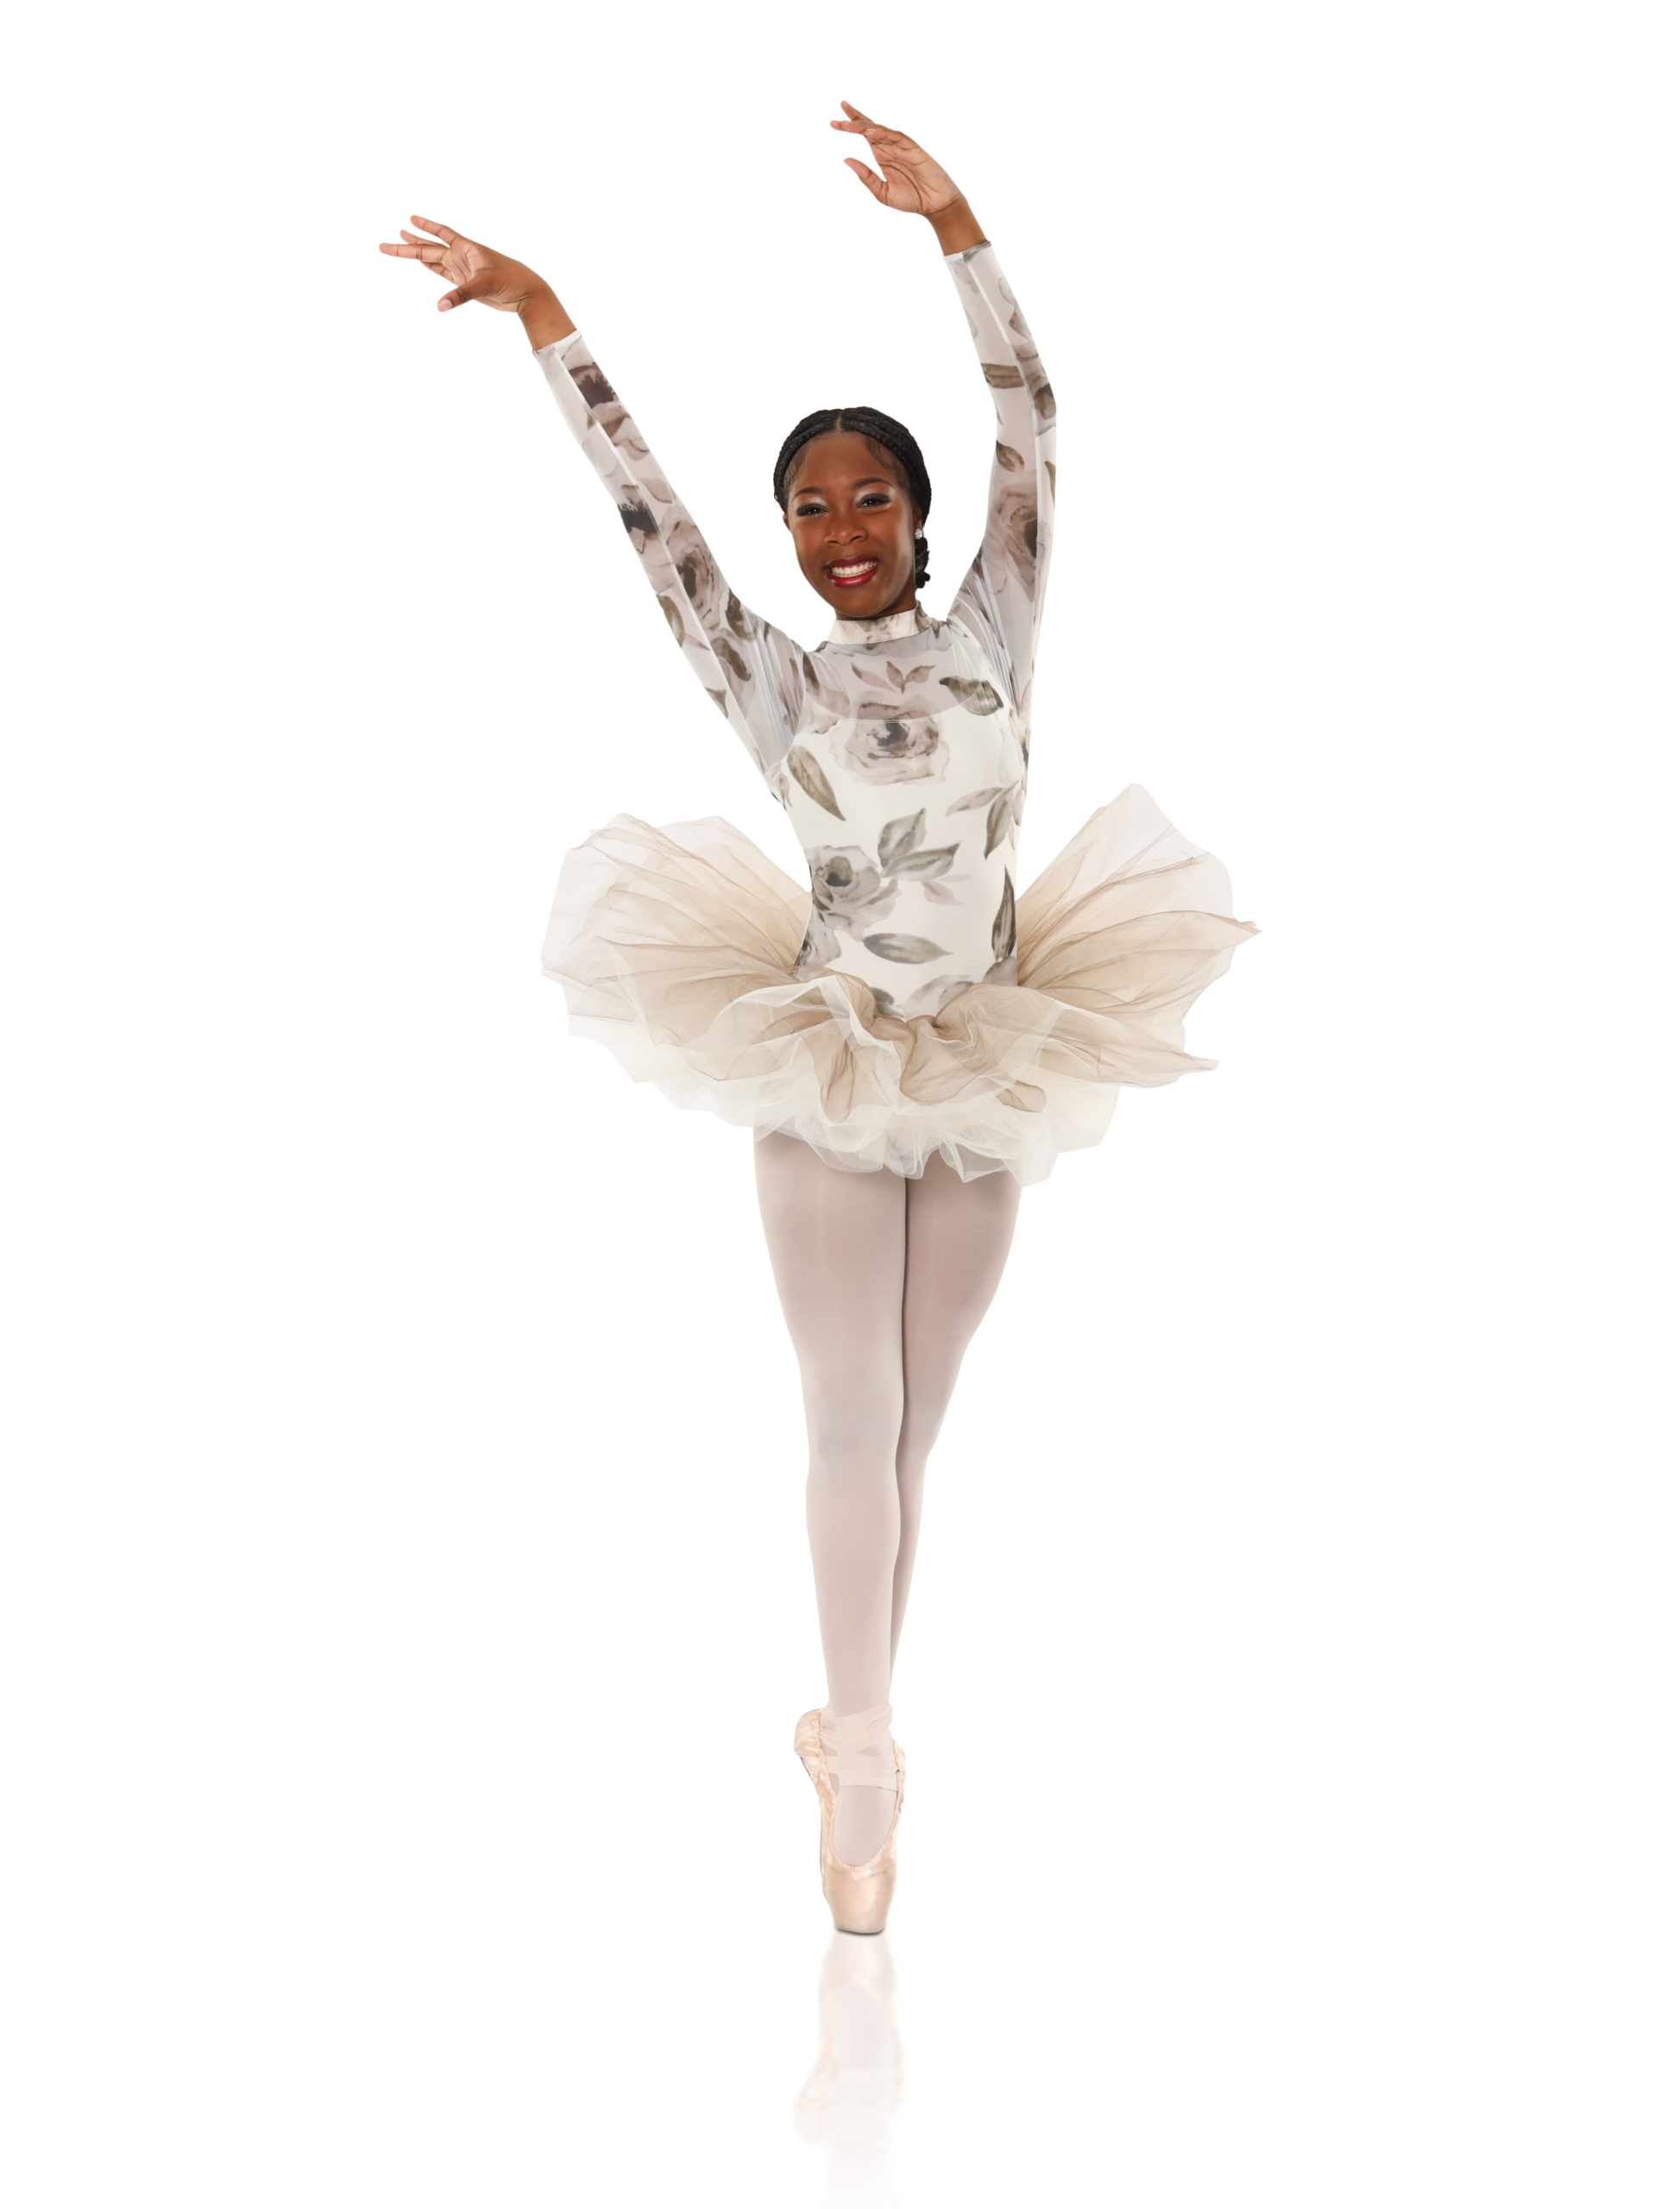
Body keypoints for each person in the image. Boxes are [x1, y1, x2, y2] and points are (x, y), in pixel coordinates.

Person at [380, 98, 1260, 2193]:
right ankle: (856, 1759)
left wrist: (959, 227)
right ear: (785, 542)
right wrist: (548, 316)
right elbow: (642, 510)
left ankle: (861, 1842)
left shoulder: (1000, 617)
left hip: (996, 1042)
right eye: (810, 507)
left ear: (924, 521)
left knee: (917, 1430)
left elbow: (1033, 412)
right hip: (833, 1051)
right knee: (848, 1415)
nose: (840, 525)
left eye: (868, 496)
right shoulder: (766, 675)